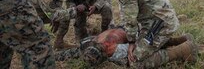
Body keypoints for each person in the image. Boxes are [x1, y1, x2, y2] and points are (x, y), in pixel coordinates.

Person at [55, 27, 195, 67]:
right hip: (125, 29)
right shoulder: (87, 44)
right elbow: (69, 53)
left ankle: (182, 49)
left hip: (135, 33)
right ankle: (175, 40)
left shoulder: (111, 48)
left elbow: (132, 53)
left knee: (137, 62)